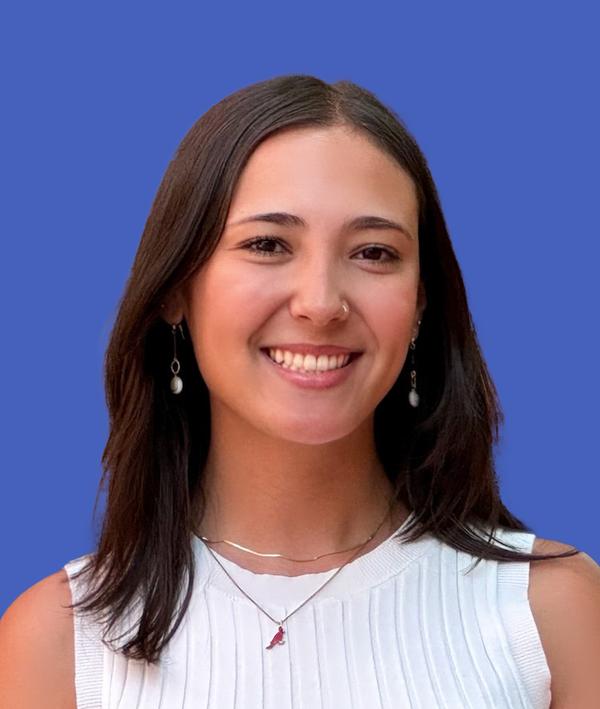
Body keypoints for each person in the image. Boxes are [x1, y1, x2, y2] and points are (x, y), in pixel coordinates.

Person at [1, 74, 599, 709]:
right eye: (267, 244)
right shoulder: (60, 643)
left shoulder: (552, 614)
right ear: (176, 288)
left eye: (373, 252)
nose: (320, 303)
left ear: (421, 302)